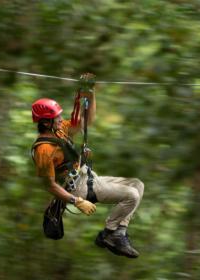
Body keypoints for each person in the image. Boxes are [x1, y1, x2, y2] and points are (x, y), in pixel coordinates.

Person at [30, 73, 144, 258]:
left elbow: (86, 121)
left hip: (87, 175)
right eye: (56, 117)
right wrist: (77, 201)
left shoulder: (60, 131)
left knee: (137, 184)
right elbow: (48, 185)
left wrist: (89, 93)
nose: (60, 119)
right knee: (131, 195)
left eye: (59, 116)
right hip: (77, 188)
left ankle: (117, 233)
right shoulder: (43, 150)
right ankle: (109, 234)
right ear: (45, 122)